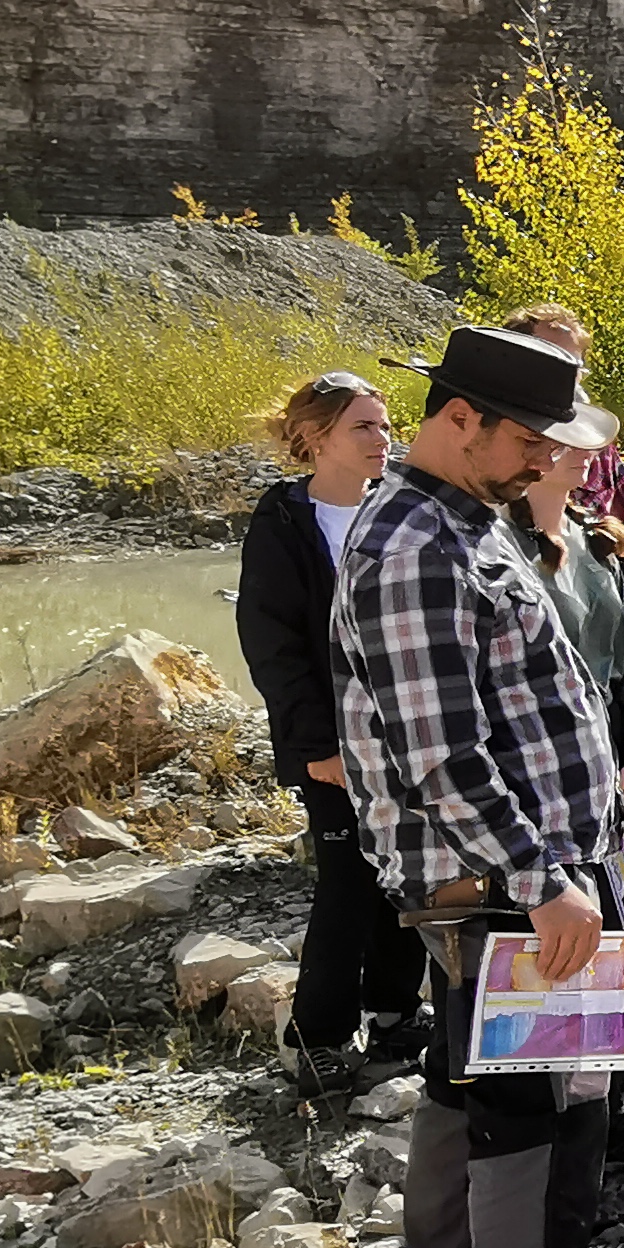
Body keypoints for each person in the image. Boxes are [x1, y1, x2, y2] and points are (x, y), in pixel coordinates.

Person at [331, 324, 624, 1248]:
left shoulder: (465, 521)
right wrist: (544, 878)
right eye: (530, 441)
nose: (546, 462)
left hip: (522, 873)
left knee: (469, 1078)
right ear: (461, 422)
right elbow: (442, 753)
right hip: (502, 883)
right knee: (543, 1108)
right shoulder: (418, 552)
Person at [235, 371, 424, 1092]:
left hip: (413, 731)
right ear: (316, 439)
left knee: (411, 876)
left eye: (385, 426)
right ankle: (316, 1036)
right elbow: (271, 642)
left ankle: (395, 1014)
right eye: (364, 428)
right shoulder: (285, 521)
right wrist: (316, 745)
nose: (383, 440)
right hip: (333, 745)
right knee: (349, 880)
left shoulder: (405, 508)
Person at [510, 421, 624, 871]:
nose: (588, 450)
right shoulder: (498, 550)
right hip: (543, 763)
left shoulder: (596, 540)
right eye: (567, 440)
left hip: (614, 748)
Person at [501, 303, 624, 600]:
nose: (565, 372)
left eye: (574, 364)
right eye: (552, 358)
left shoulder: (595, 440)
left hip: (602, 589)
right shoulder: (496, 438)